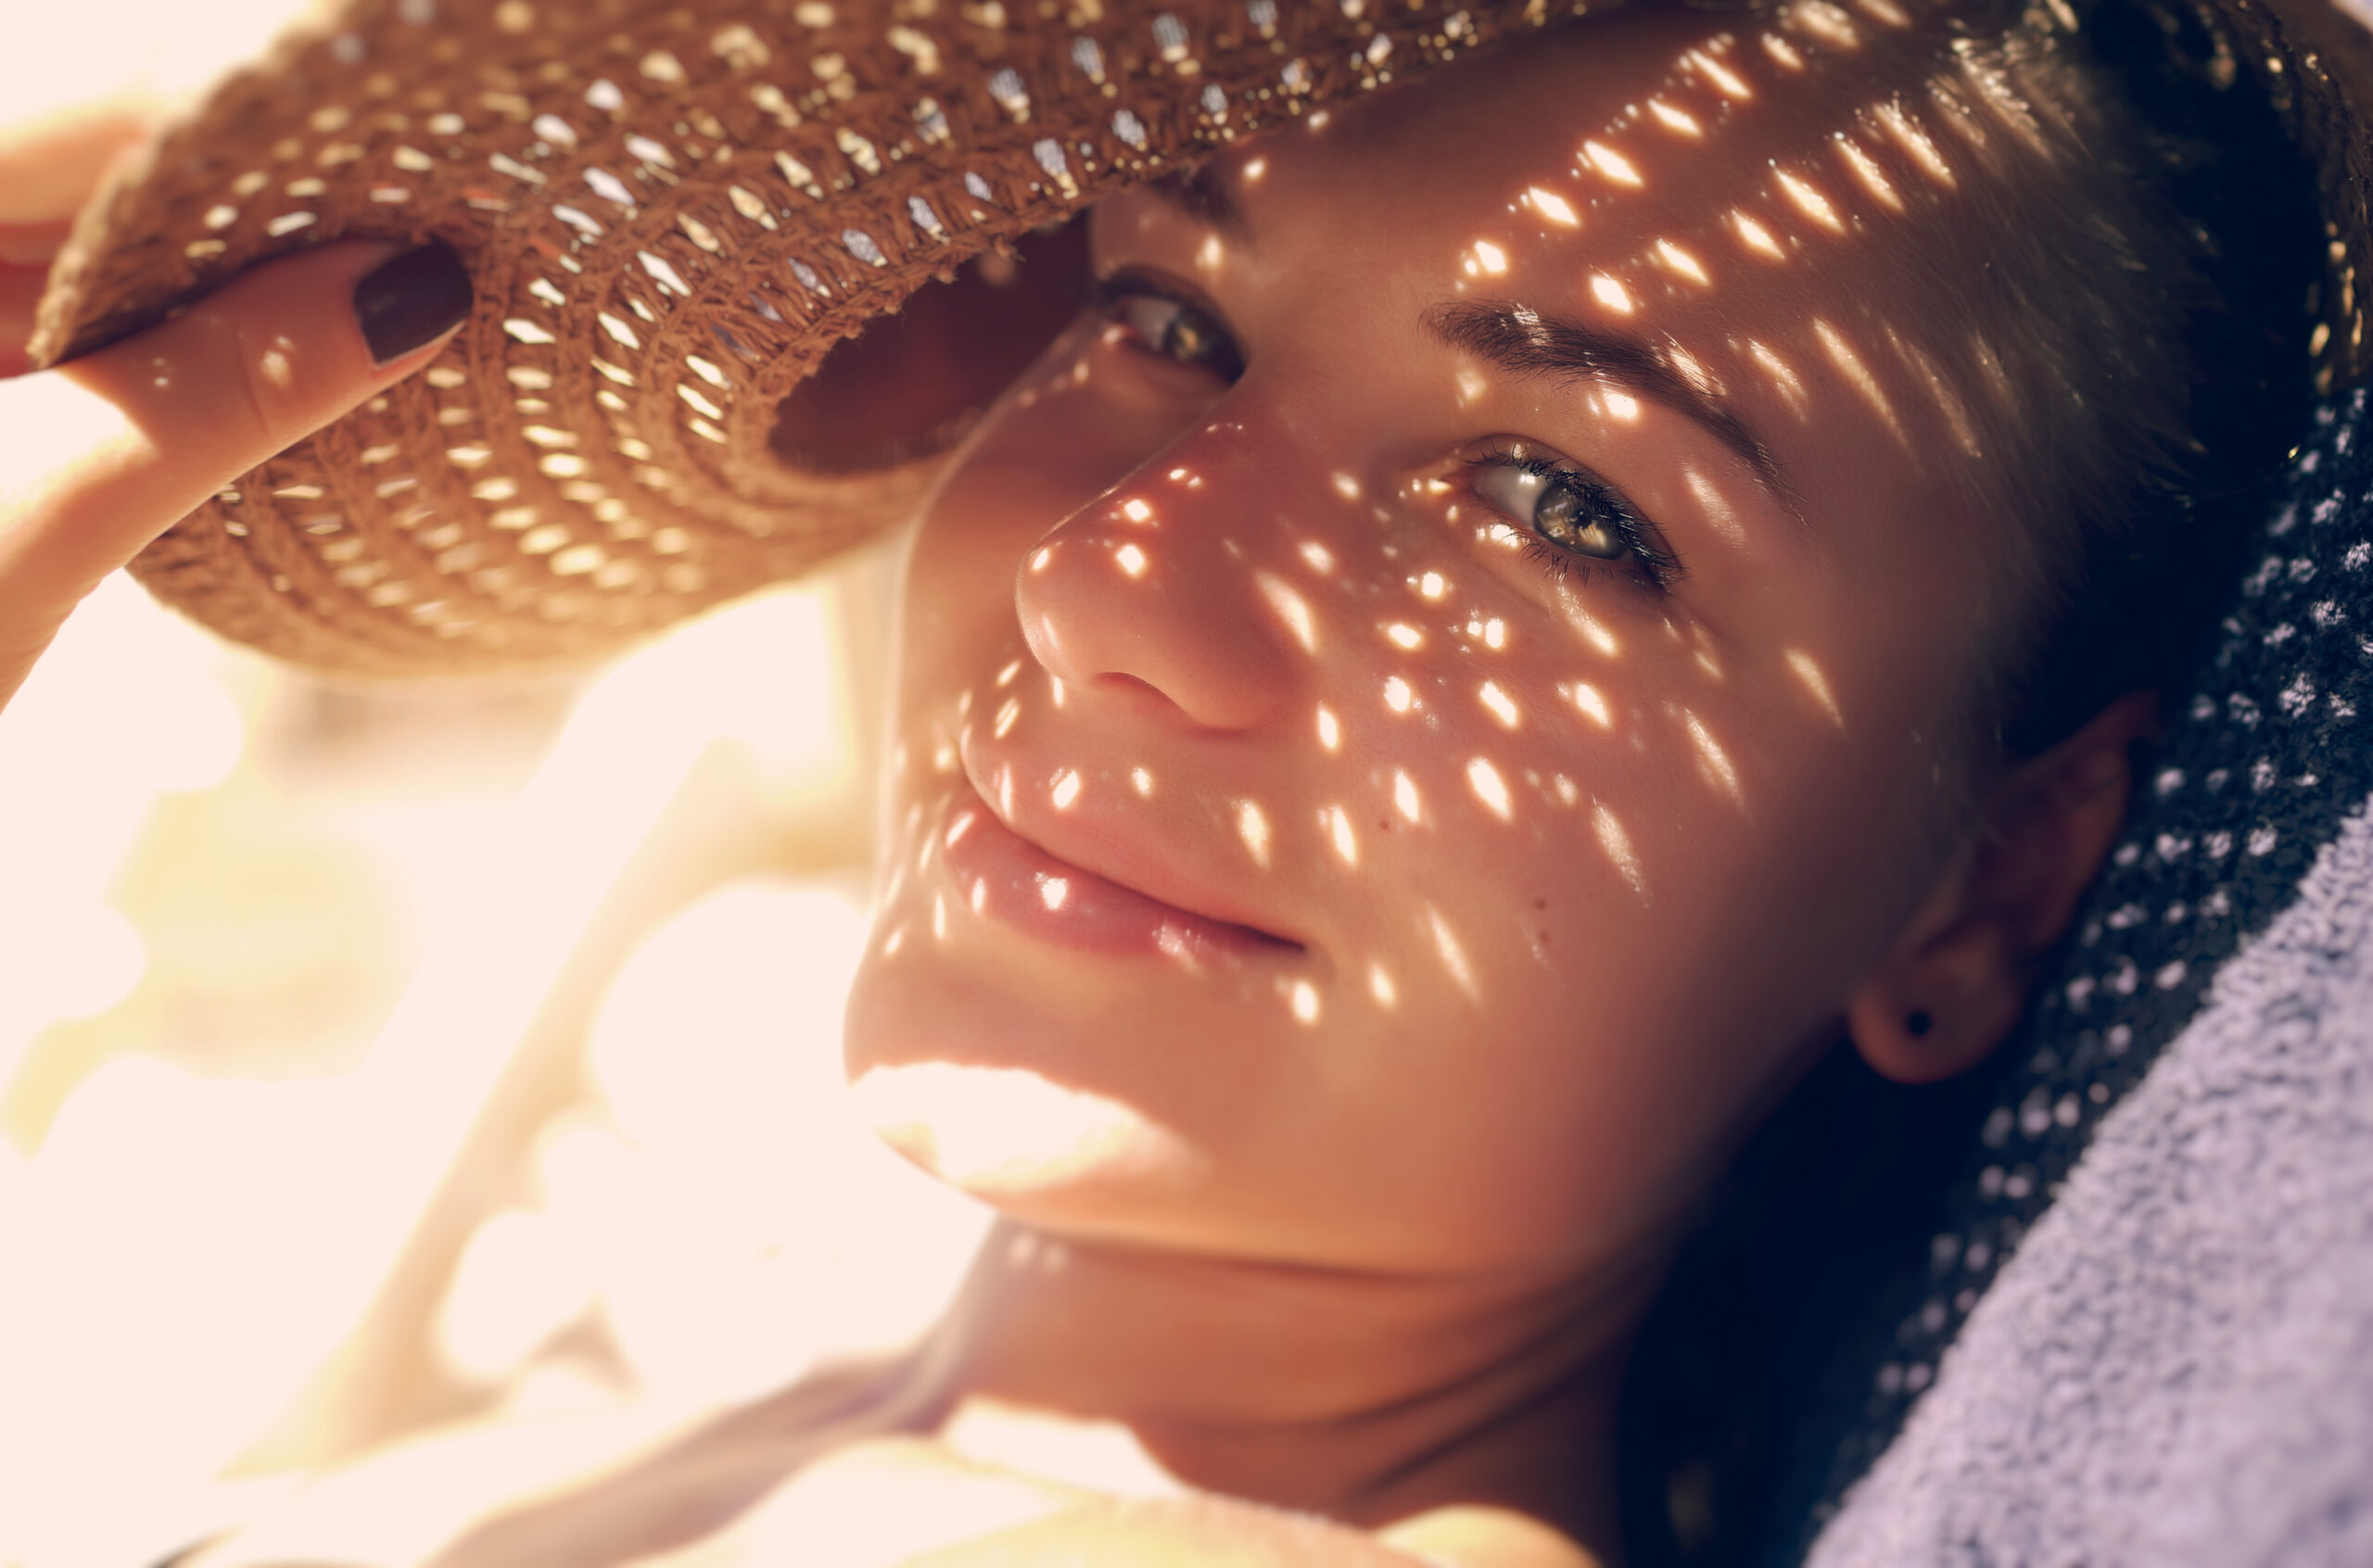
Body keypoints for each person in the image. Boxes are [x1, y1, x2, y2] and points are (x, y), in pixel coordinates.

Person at [0, 0, 2320, 1562]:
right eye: (1163, 322)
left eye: (1559, 506)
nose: (1115, 587)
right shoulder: (766, 1435)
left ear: (1990, 882)